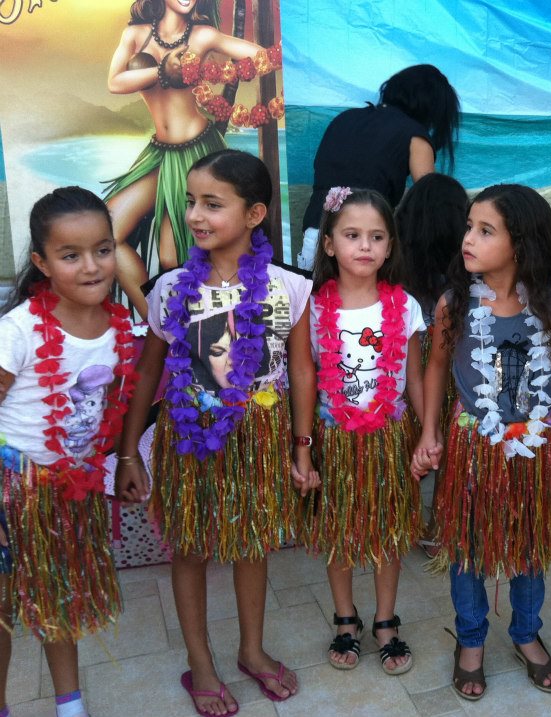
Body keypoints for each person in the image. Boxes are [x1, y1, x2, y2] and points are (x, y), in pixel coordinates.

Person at [115, 150, 312, 715]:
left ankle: (252, 650)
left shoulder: (289, 287)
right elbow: (148, 371)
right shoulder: (170, 287)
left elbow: (301, 371)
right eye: (190, 202)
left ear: (254, 214)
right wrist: (128, 453)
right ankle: (200, 662)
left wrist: (302, 447)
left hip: (260, 434)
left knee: (253, 541)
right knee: (190, 545)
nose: (195, 215)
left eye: (212, 203)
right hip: (188, 435)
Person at [411, 184, 551, 701]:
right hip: (474, 445)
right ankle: (470, 640)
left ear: (521, 243)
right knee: (468, 546)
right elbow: (436, 368)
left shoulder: (547, 301)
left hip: (534, 443)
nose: (469, 238)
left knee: (529, 542)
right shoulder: (455, 304)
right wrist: (429, 432)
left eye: (486, 231)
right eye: (469, 227)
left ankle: (527, 632)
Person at [0, 187, 136, 717]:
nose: (91, 266)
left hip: (70, 491)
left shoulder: (118, 328)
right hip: (14, 491)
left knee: (61, 596)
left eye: (103, 250)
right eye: (70, 255)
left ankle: (69, 704)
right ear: (42, 262)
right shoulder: (19, 331)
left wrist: (125, 460)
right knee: (3, 608)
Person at [294, 186, 425, 676]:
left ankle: (386, 620)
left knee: (389, 531)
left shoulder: (405, 306)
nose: (365, 245)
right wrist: (303, 448)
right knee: (339, 530)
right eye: (352, 235)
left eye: (377, 236)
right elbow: (304, 380)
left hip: (389, 438)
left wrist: (427, 434)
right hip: (335, 440)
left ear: (390, 246)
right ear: (329, 244)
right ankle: (346, 617)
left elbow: (414, 378)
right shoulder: (312, 308)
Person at [106, 0, 277, 317]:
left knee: (172, 258)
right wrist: (161, 70)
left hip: (199, 153)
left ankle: (206, 322)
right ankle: (160, 322)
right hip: (161, 154)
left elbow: (262, 57)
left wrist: (211, 71)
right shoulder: (135, 35)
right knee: (107, 232)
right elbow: (114, 82)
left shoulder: (202, 35)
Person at [298, 64, 461, 269]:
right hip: (365, 244)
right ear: (432, 106)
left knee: (313, 291)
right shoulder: (414, 135)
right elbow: (430, 202)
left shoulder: (344, 119)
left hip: (317, 235)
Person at [393, 172, 469, 556]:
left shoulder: (397, 264)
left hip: (404, 362)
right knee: (445, 442)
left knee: (411, 441)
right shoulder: (460, 273)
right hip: (441, 362)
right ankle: (439, 527)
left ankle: (404, 519)